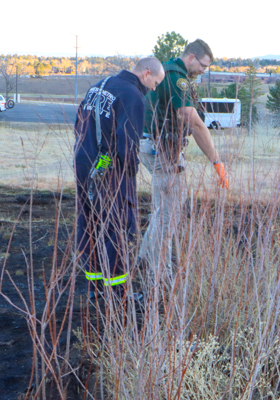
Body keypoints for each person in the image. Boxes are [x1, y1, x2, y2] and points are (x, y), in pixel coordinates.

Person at [74, 57, 165, 300]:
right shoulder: (133, 96)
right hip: (111, 170)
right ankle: (117, 292)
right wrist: (130, 175)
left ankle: (95, 287)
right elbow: (128, 145)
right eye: (155, 83)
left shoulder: (99, 86)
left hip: (83, 162)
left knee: (89, 222)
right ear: (146, 73)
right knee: (118, 226)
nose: (153, 89)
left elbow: (78, 124)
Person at [139, 39, 228, 279]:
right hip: (162, 150)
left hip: (150, 145)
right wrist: (216, 161)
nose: (203, 71)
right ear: (191, 58)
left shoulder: (165, 69)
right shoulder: (177, 79)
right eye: (203, 65)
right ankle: (160, 276)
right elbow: (194, 123)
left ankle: (144, 259)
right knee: (169, 214)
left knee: (162, 210)